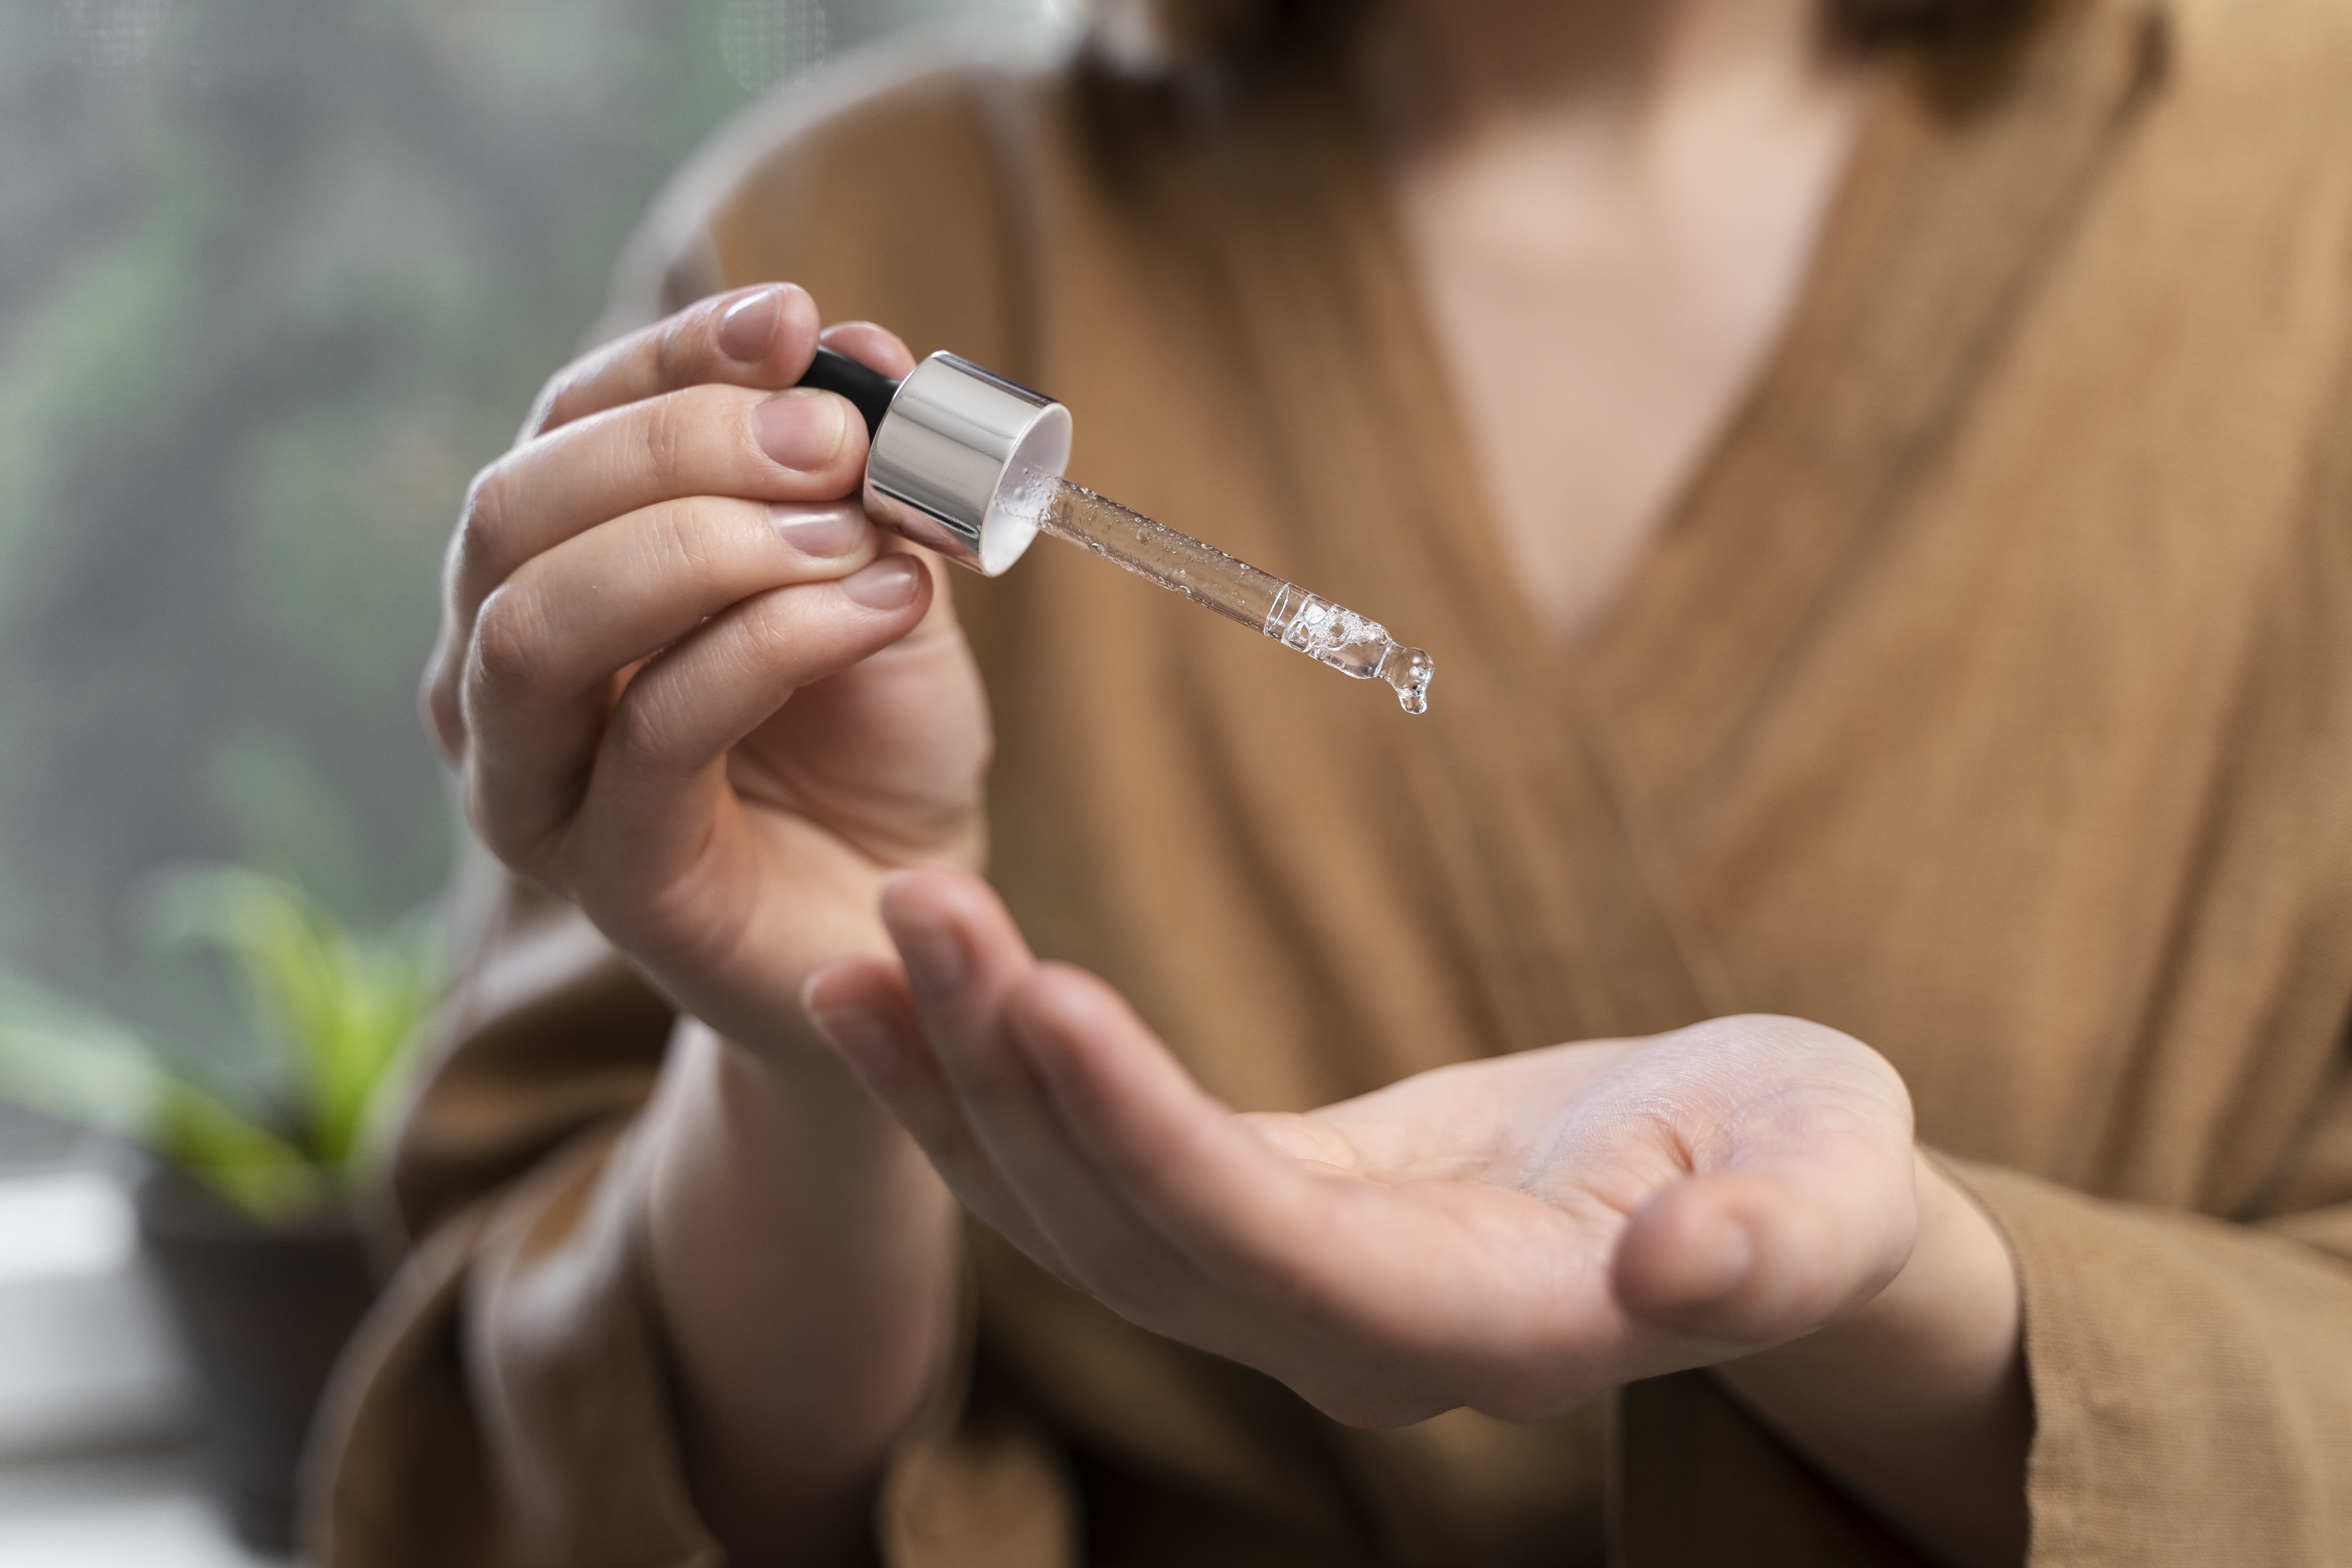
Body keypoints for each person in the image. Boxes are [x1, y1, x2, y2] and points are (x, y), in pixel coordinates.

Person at [318, 0, 2352, 1563]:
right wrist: (812, 1064)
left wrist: (1900, 1293)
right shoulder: (858, 238)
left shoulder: (2297, 200)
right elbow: (521, 1484)